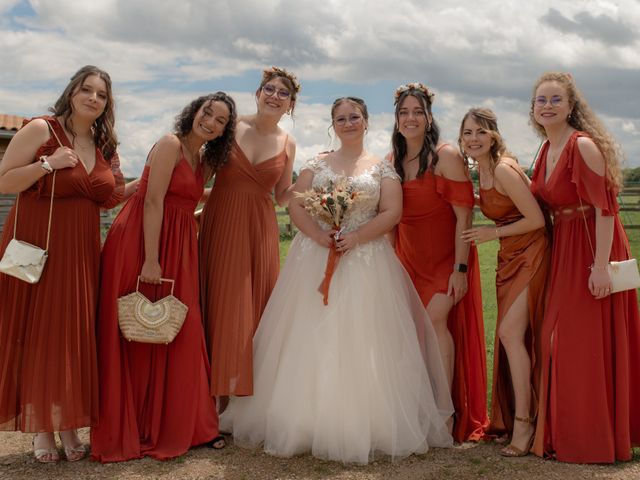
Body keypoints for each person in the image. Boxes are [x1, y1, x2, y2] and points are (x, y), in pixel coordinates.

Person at [220, 97, 453, 464]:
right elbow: (294, 203)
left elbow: (393, 212)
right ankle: (302, 416)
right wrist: (317, 234)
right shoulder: (318, 163)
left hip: (366, 260)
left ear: (366, 121)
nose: (348, 123)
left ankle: (363, 418)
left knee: (364, 337)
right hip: (315, 257)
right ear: (333, 125)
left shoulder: (382, 168)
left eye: (354, 117)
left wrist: (357, 237)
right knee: (309, 333)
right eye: (341, 118)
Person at [90, 93, 236, 462]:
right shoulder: (171, 144)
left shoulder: (204, 159)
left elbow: (186, 202)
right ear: (194, 112)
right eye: (208, 113)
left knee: (179, 329)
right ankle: (137, 426)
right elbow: (153, 201)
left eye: (221, 120)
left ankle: (187, 425)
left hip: (179, 245)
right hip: (143, 242)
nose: (212, 123)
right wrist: (151, 260)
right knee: (138, 330)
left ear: (224, 130)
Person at [0, 65, 128, 463]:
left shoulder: (105, 143)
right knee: (40, 331)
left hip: (82, 252)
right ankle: (42, 428)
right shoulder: (42, 129)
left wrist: (155, 187)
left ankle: (69, 421)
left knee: (71, 334)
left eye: (102, 94)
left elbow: (108, 196)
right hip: (40, 246)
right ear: (72, 92)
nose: (93, 98)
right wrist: (46, 165)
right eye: (86, 90)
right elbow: (4, 180)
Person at [529, 72, 640, 463]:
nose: (547, 106)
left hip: (592, 245)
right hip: (565, 246)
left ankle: (592, 436)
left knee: (581, 340)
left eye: (556, 99)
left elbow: (605, 210)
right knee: (555, 337)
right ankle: (566, 430)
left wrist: (601, 268)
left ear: (571, 107)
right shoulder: (544, 150)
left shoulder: (583, 145)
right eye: (541, 100)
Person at [389, 83, 489, 442]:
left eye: (418, 111)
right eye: (404, 112)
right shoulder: (392, 161)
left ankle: (444, 415)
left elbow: (465, 219)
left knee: (434, 323)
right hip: (408, 262)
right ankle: (417, 409)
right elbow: (390, 218)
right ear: (397, 118)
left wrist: (460, 270)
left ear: (429, 117)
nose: (411, 118)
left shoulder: (445, 156)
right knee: (411, 335)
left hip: (448, 260)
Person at [199, 67, 297, 411]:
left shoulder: (288, 142)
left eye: (283, 93)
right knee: (221, 302)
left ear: (291, 104)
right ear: (257, 93)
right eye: (268, 89)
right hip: (222, 221)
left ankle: (242, 401)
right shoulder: (231, 126)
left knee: (253, 306)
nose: (274, 96)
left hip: (260, 229)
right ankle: (210, 397)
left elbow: (283, 194)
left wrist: (320, 187)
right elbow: (202, 175)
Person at [458, 108, 549, 457]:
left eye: (480, 132)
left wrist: (491, 231)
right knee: (512, 336)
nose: (473, 139)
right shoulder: (478, 171)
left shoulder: (502, 169)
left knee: (511, 334)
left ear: (494, 135)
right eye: (467, 133)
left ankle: (525, 422)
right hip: (509, 256)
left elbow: (537, 219)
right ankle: (520, 416)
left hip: (532, 253)